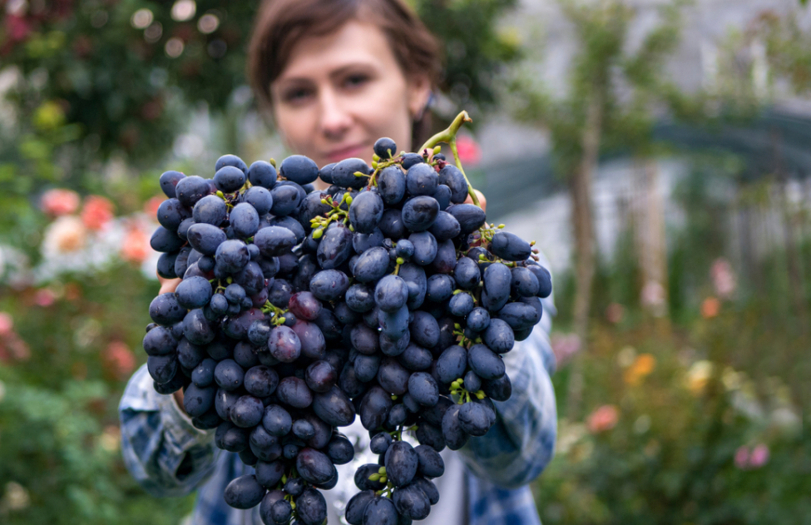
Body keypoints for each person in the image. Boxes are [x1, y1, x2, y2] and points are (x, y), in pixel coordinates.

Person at [119, 1, 558, 524]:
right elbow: (150, 466)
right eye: (299, 92)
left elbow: (522, 458)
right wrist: (193, 360)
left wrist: (472, 314)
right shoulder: (255, 254)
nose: (331, 118)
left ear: (417, 83)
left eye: (354, 79)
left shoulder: (487, 265)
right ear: (272, 108)